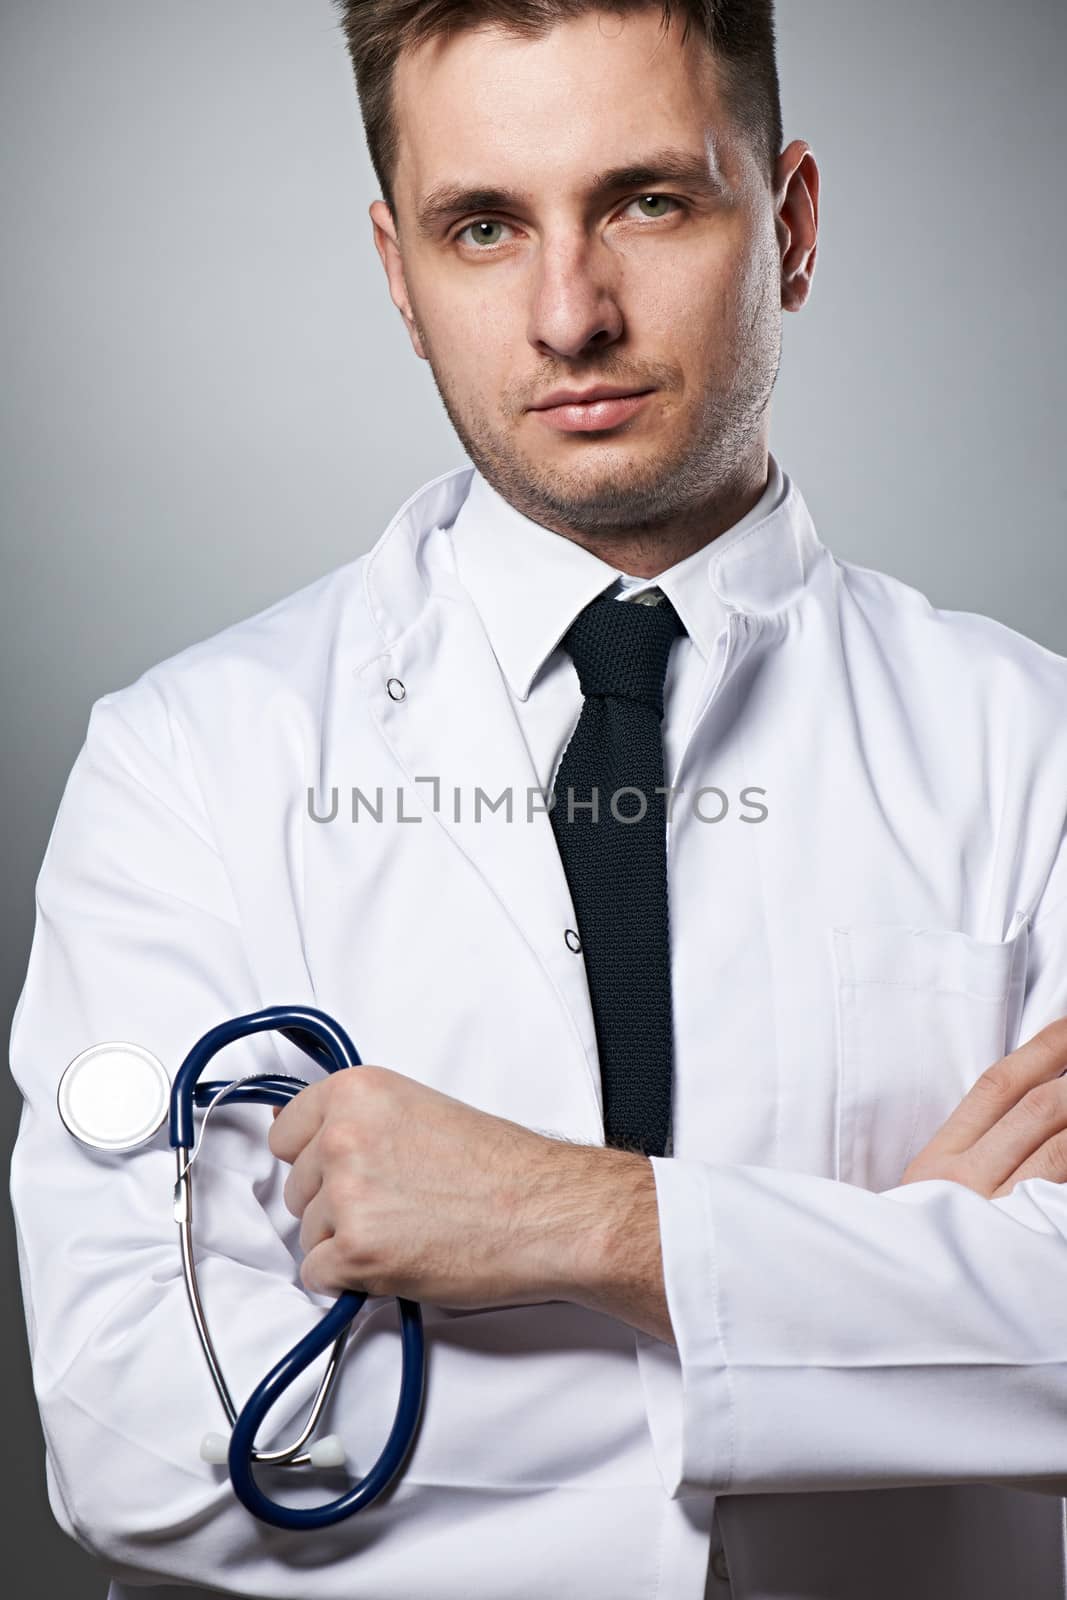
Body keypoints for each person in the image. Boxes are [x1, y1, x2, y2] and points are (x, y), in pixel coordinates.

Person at [9, 2, 1067, 1597]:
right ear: (398, 273)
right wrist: (869, 1308)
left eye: (650, 200)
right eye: (484, 226)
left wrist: (579, 1227)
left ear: (787, 226)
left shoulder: (1035, 745)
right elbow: (141, 1443)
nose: (569, 314)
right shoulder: (187, 764)